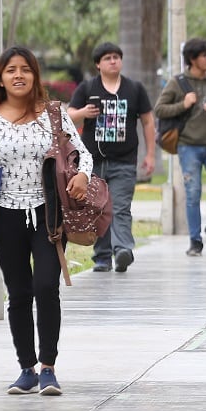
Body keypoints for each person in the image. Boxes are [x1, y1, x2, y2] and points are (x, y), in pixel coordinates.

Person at [0, 46, 92, 395]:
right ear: (1, 78)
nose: (18, 75)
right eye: (10, 70)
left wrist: (81, 176)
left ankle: (49, 367)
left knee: (45, 286)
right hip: (5, 216)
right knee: (19, 292)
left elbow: (83, 154)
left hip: (49, 213)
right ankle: (27, 368)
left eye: (25, 69)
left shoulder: (53, 113)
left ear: (35, 75)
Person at [67, 42, 155, 273]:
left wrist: (151, 155)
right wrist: (83, 113)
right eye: (108, 58)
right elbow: (68, 118)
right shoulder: (87, 88)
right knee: (97, 208)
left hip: (125, 160)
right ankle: (102, 257)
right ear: (98, 64)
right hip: (92, 161)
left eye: (116, 57)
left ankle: (123, 249)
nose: (113, 61)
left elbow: (147, 120)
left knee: (120, 207)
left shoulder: (134, 89)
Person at [155, 37, 206, 256]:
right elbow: (159, 110)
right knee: (193, 193)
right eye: (205, 55)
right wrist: (184, 104)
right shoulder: (177, 82)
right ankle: (195, 240)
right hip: (188, 146)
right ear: (192, 59)